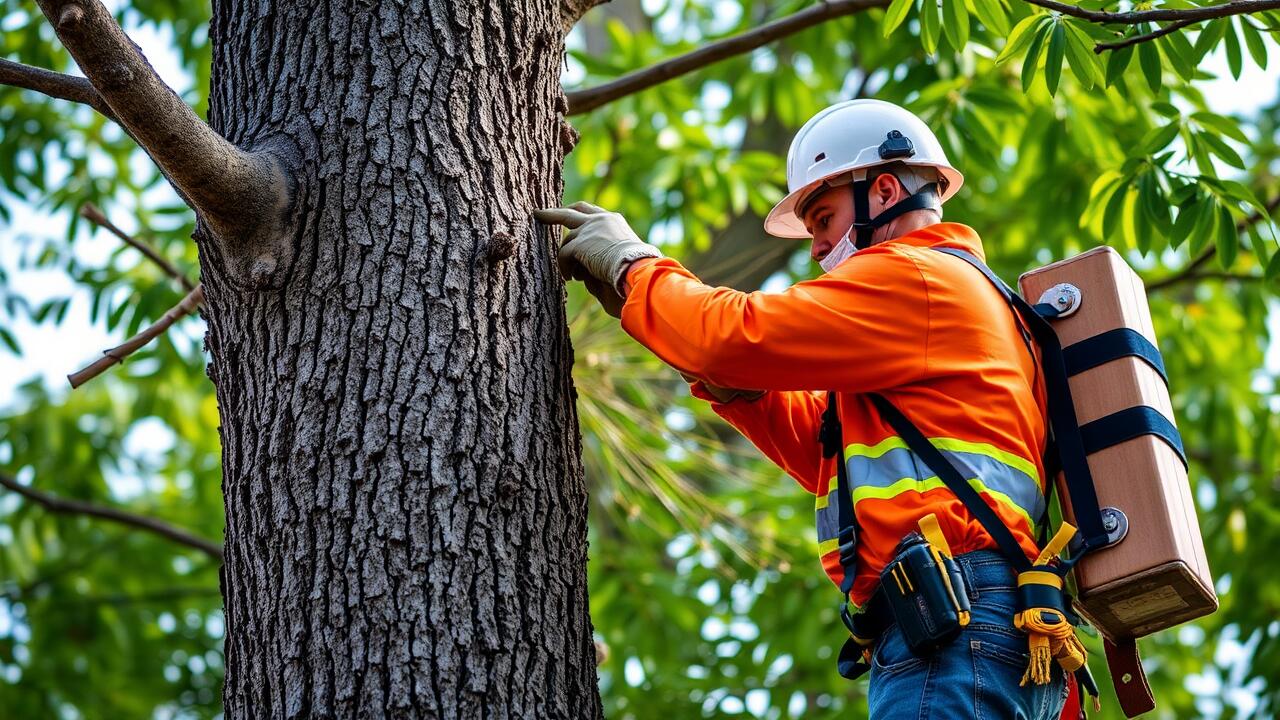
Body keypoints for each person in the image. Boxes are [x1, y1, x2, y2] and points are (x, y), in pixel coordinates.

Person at [535, 99, 1069, 719]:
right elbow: (828, 445)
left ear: (886, 191)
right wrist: (733, 384)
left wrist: (636, 269)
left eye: (823, 218)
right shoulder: (965, 300)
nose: (817, 247)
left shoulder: (917, 278)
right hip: (982, 627)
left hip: (959, 625)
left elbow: (729, 334)